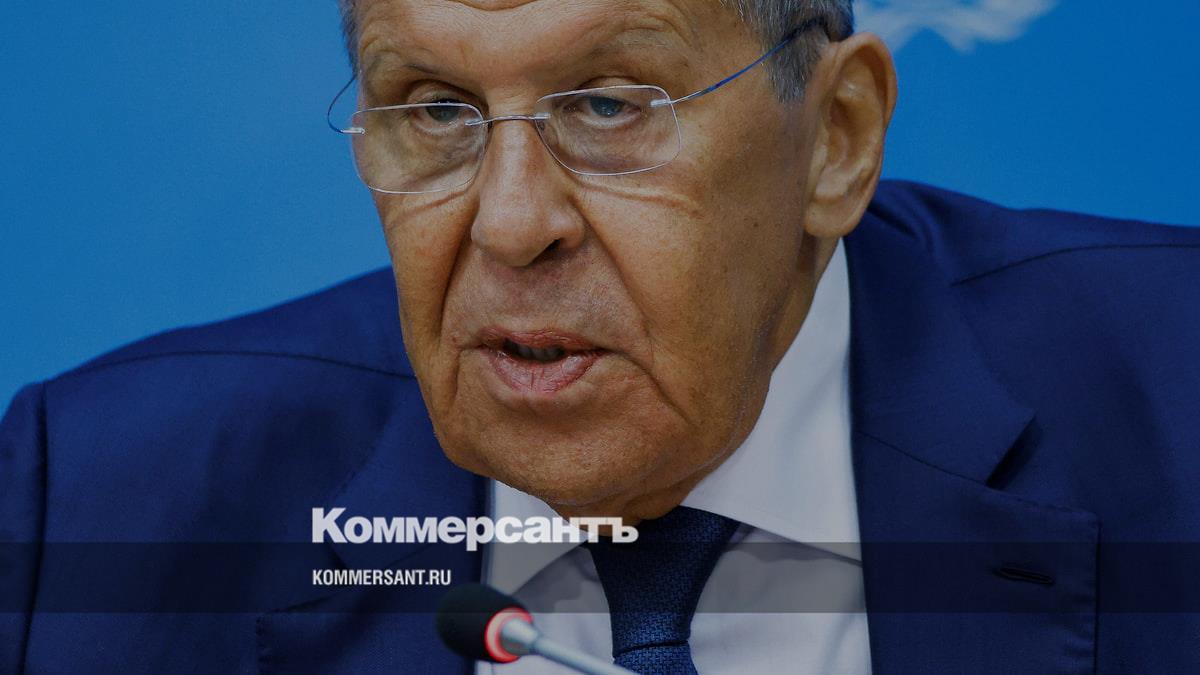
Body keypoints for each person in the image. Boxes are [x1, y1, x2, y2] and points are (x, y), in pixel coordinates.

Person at [2, 0, 1199, 672]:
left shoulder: (1174, 395)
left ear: (835, 138)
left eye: (612, 105)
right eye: (436, 110)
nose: (511, 223)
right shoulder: (98, 506)